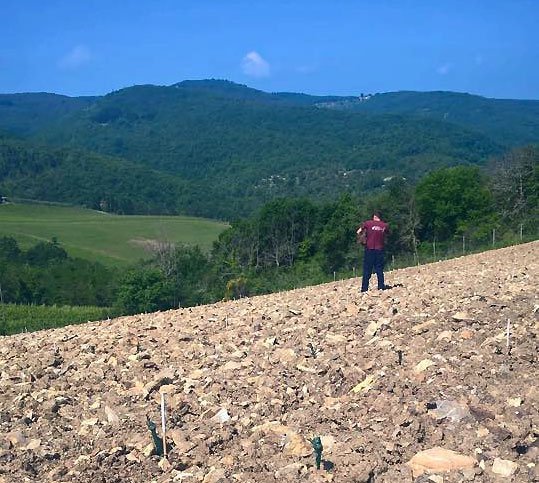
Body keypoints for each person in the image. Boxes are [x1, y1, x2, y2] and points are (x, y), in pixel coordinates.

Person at [357, 210, 390, 292]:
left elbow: (358, 231)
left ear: (374, 216)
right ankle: (381, 286)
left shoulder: (368, 223)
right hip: (380, 249)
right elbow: (388, 234)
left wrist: (362, 238)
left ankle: (364, 288)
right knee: (379, 269)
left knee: (367, 269)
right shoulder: (384, 225)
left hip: (369, 249)